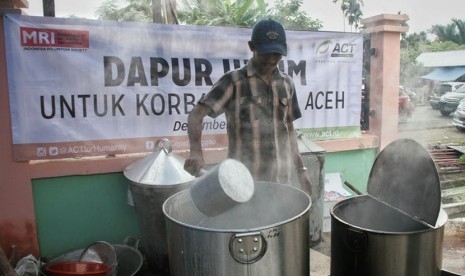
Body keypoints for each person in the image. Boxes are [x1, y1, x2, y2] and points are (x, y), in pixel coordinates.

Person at [184, 19, 312, 192]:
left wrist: (301, 170)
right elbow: (196, 115)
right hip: (243, 183)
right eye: (266, 53)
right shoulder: (234, 81)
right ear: (252, 47)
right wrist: (196, 153)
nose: (272, 59)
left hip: (281, 182)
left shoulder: (286, 83)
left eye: (277, 53)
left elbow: (289, 129)